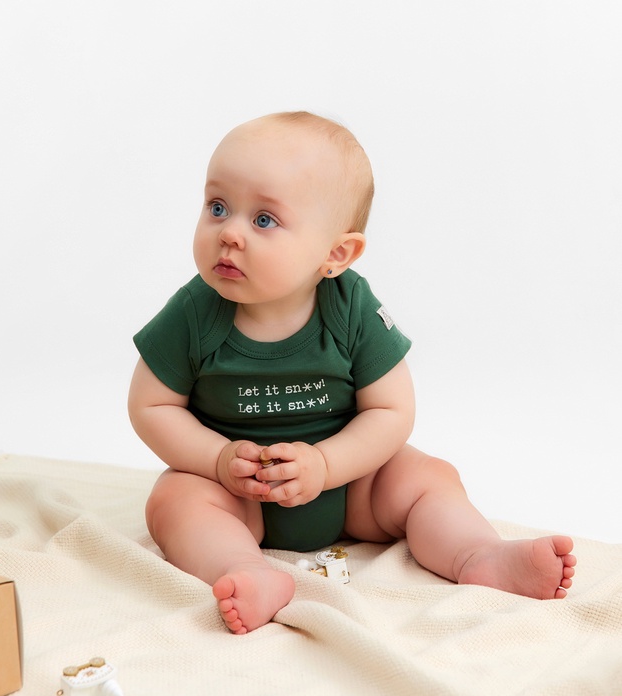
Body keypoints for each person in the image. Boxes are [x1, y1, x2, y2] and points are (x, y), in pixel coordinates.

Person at [128, 111, 576, 634]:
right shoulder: (193, 312)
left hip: (352, 488)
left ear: (336, 254)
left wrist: (326, 464)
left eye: (264, 220)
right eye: (218, 207)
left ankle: (478, 554)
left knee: (428, 477)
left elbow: (392, 410)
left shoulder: (351, 308)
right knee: (173, 500)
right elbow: (151, 405)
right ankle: (246, 569)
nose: (229, 233)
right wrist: (217, 460)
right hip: (238, 496)